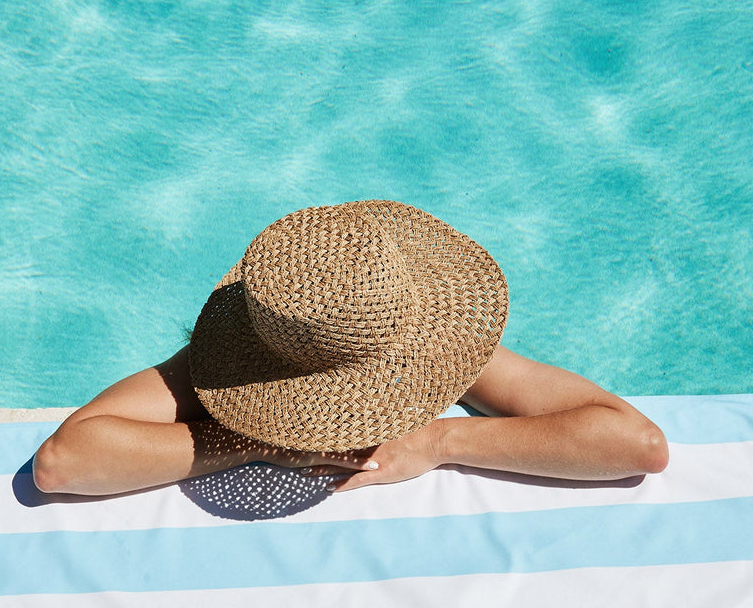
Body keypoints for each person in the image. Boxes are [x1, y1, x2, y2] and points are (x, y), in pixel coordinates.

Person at [33, 200, 668, 496]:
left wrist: (437, 442)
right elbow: (63, 462)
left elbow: (636, 444)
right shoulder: (228, 368)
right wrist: (259, 440)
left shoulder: (426, 342)